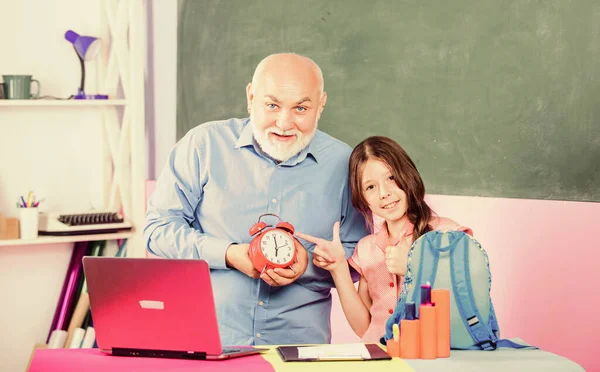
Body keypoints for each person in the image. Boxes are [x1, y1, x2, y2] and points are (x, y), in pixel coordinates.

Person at [144, 53, 366, 346]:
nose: (284, 123)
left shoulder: (345, 164)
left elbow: (359, 257)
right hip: (206, 342)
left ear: (321, 104)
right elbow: (157, 230)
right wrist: (228, 254)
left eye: (300, 108)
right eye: (272, 105)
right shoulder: (204, 145)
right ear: (251, 97)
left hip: (300, 348)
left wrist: (308, 263)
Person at [297, 136, 472, 343]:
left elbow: (467, 302)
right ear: (362, 197)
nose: (384, 193)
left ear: (407, 175)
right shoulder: (367, 249)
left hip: (432, 359)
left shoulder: (446, 233)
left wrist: (415, 267)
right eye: (370, 187)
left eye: (391, 178)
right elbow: (364, 327)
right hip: (382, 359)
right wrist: (338, 269)